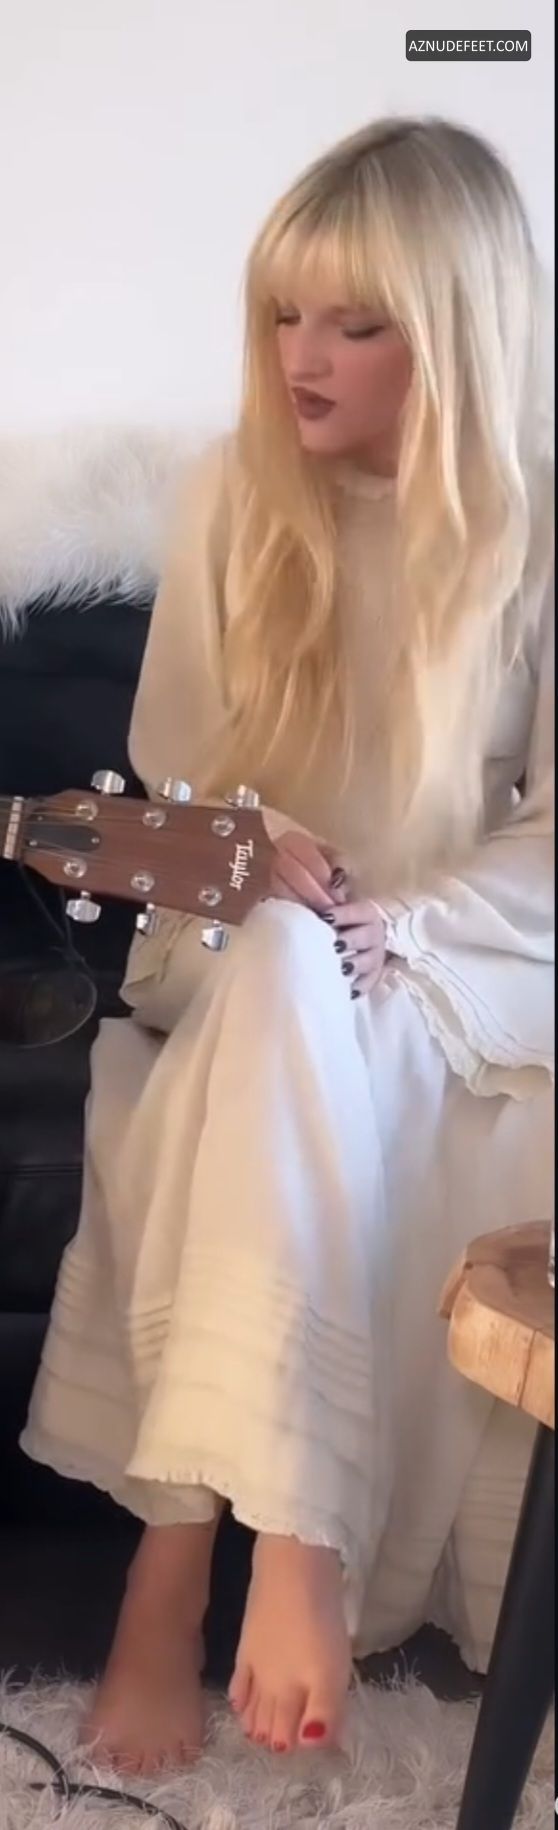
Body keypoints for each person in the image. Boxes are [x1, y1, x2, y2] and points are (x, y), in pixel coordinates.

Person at [21, 113, 554, 1777]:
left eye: (354, 322)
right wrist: (255, 856)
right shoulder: (227, 505)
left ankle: (176, 1568)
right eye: (278, 315)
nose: (297, 358)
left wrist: (412, 921)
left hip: (460, 958)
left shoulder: (539, 530)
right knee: (275, 970)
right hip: (238, 941)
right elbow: (164, 801)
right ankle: (289, 1544)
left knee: (330, 1008)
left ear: (455, 332)